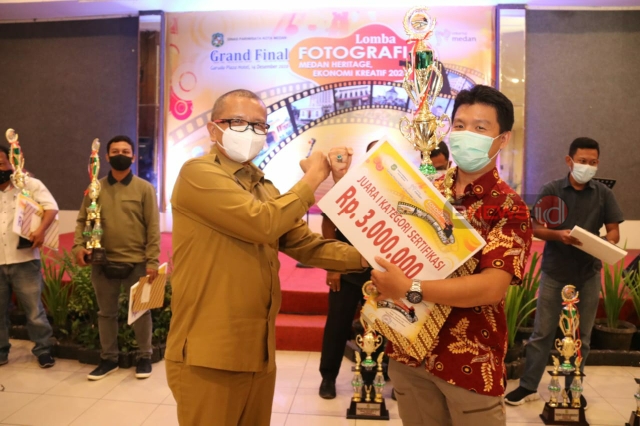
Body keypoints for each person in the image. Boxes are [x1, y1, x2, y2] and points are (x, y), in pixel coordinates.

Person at [165, 89, 368, 426]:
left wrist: (369, 257)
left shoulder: (262, 186)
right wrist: (313, 177)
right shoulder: (197, 173)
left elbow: (305, 244)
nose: (250, 132)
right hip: (209, 352)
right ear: (214, 129)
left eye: (259, 125)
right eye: (238, 122)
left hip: (257, 350)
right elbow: (262, 223)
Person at [369, 84, 533, 426]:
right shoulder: (424, 190)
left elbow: (491, 288)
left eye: (480, 127)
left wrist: (410, 287)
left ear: (503, 139)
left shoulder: (509, 207)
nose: (465, 134)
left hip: (469, 362)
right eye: (459, 125)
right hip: (409, 352)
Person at [505, 137, 624, 408]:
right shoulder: (552, 190)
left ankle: (574, 389)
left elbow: (614, 230)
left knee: (582, 336)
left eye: (593, 162)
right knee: (542, 333)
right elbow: (536, 228)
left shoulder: (603, 194)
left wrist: (608, 241)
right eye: (582, 161)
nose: (587, 166)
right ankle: (528, 386)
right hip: (555, 271)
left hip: (588, 273)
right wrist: (558, 235)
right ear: (569, 161)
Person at [72, 135, 160, 381]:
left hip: (138, 263)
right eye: (115, 151)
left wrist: (152, 261)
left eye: (125, 151)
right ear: (107, 157)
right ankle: (108, 359)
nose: (120, 155)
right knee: (106, 313)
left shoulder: (144, 188)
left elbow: (153, 227)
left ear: (133, 156)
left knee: (141, 312)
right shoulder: (95, 188)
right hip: (102, 262)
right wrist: (79, 247)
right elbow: (82, 221)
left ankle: (144, 356)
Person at [319, 140, 378, 400]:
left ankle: (372, 380)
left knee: (378, 329)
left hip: (379, 277)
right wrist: (333, 266)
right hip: (345, 271)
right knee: (337, 325)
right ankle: (328, 378)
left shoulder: (398, 193)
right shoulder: (350, 186)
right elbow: (328, 225)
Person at [0, 144, 58, 368]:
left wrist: (41, 230)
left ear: (11, 163)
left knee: (34, 311)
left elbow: (51, 207)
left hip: (25, 260)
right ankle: (1, 351)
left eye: (1, 163)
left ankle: (43, 350)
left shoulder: (29, 184)